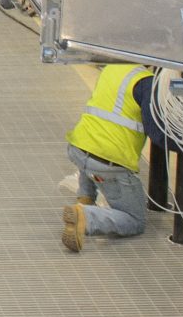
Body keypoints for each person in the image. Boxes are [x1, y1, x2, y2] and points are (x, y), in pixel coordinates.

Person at [62, 62, 159, 251]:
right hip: (109, 163)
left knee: (92, 156)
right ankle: (86, 216)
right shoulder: (146, 83)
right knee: (134, 220)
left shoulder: (111, 68)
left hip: (79, 148)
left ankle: (85, 198)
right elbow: (157, 133)